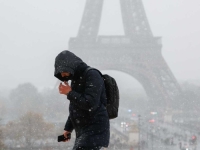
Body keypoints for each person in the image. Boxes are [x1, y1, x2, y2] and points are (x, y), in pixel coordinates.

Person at [54, 50, 110, 150]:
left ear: (70, 66)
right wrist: (68, 128)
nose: (62, 76)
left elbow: (90, 103)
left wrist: (69, 93)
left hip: (94, 130)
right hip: (85, 131)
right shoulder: (77, 79)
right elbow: (76, 107)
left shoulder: (92, 75)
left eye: (62, 71)